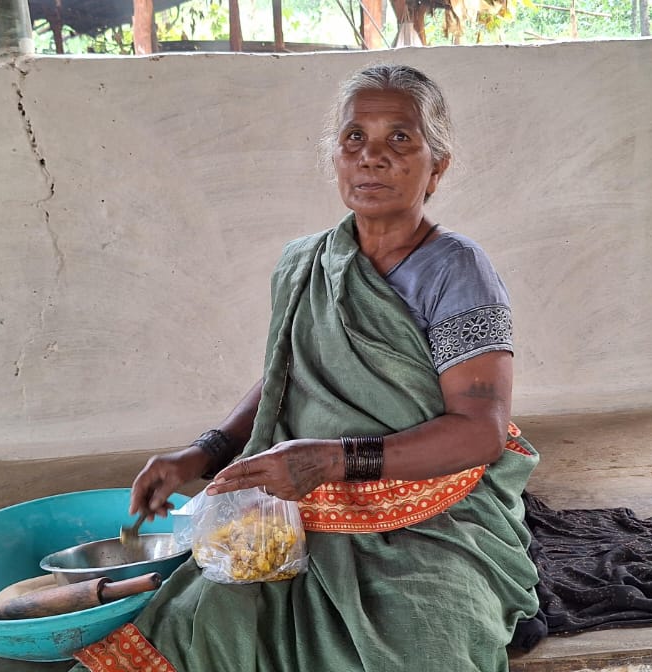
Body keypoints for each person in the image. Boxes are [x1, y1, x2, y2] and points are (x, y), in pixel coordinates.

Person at [74, 63, 541, 672]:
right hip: (300, 505)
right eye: (355, 138)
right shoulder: (307, 262)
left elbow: (479, 432)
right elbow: (285, 372)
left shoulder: (457, 271)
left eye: (400, 138)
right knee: (206, 621)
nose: (372, 156)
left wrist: (328, 460)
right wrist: (202, 452)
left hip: (431, 512)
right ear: (336, 158)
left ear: (437, 166)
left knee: (423, 643)